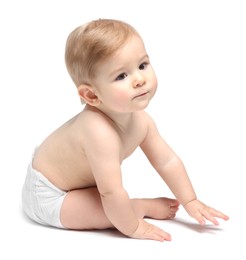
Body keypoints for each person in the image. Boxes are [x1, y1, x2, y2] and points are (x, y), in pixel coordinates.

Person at [22, 18, 229, 242]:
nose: (139, 79)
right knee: (107, 212)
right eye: (122, 76)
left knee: (110, 203)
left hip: (83, 185)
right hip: (49, 194)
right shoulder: (98, 132)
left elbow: (166, 161)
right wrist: (132, 227)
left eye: (142, 65)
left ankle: (129, 207)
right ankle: (140, 206)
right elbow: (110, 192)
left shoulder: (141, 121)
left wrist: (190, 200)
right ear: (92, 95)